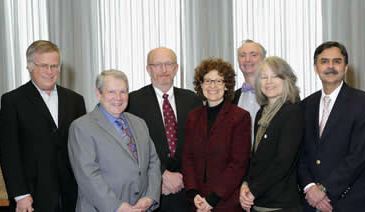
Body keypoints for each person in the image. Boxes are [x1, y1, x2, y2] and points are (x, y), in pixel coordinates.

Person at [0, 40, 86, 212]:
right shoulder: (12, 101)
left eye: (54, 66)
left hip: (72, 194)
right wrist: (20, 195)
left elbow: (83, 148)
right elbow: (9, 154)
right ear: (29, 66)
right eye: (44, 66)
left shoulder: (75, 100)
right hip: (32, 196)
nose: (50, 72)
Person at [68, 70, 161, 212]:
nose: (118, 98)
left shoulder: (139, 123)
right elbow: (88, 175)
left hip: (140, 208)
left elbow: (153, 163)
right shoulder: (81, 127)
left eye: (123, 92)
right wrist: (116, 206)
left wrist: (150, 197)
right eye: (111, 92)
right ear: (98, 94)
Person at [298, 41, 365, 212]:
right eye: (324, 61)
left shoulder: (363, 103)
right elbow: (300, 153)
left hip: (349, 201)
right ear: (315, 68)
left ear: (346, 67)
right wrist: (310, 188)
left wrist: (324, 189)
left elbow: (358, 155)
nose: (330, 66)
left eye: (337, 61)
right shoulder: (305, 105)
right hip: (311, 203)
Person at [127, 47, 202, 212]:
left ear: (176, 68)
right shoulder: (132, 102)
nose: (163, 69)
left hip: (188, 191)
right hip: (151, 192)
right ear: (148, 69)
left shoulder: (193, 100)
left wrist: (184, 177)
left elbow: (200, 145)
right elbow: (130, 148)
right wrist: (161, 175)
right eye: (157, 65)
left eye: (168, 64)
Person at [182, 58, 251, 212]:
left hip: (226, 203)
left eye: (218, 81)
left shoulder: (240, 117)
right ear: (201, 85)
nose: (212, 86)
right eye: (207, 81)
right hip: (197, 202)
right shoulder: (193, 116)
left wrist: (213, 198)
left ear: (226, 85)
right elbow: (187, 158)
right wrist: (193, 193)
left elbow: (238, 163)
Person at [239, 56, 304, 212]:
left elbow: (282, 163)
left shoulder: (292, 111)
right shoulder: (262, 113)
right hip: (259, 201)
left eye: (275, 76)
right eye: (263, 77)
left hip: (280, 203)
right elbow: (255, 157)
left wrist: (253, 191)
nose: (269, 81)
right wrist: (245, 184)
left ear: (287, 80)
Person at [233, 40, 266, 145]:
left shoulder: (275, 96)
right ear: (238, 62)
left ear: (263, 60)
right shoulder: (230, 98)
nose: (247, 60)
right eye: (243, 55)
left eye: (253, 55)